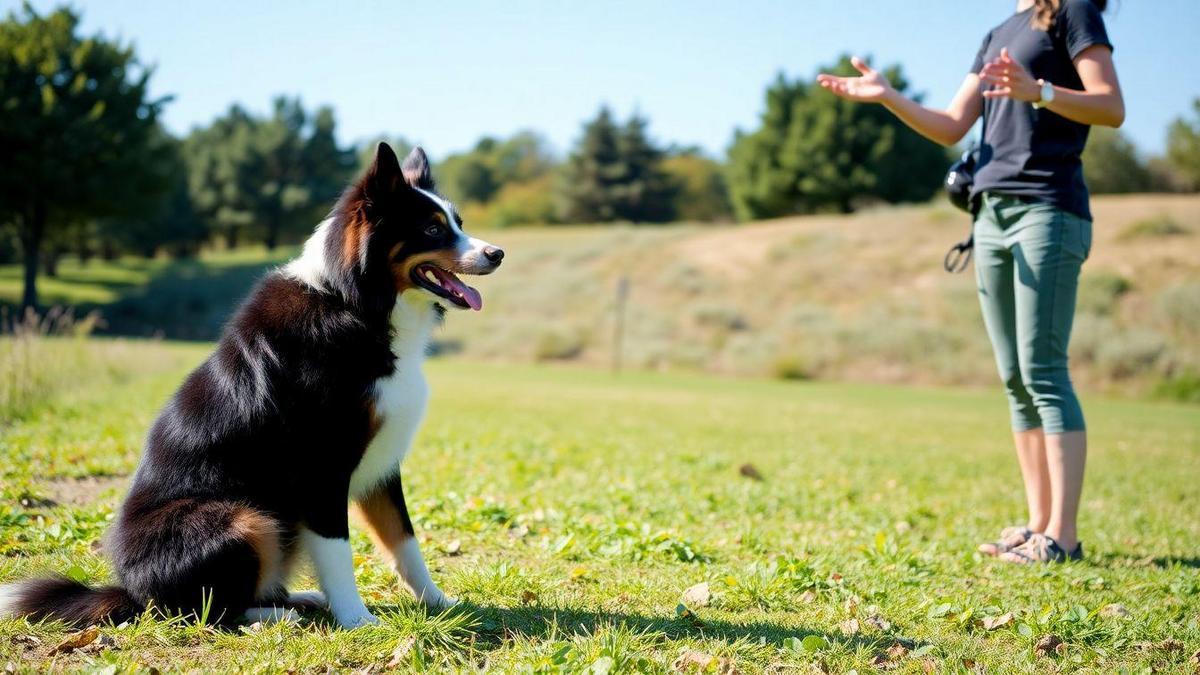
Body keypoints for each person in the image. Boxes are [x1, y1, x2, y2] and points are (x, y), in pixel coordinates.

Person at [816, 0, 1124, 563]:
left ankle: (1064, 536)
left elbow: (1111, 106)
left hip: (1047, 210)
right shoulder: (997, 32)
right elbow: (954, 124)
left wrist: (1042, 93)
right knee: (1013, 377)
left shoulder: (1072, 11)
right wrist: (888, 96)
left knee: (1044, 372)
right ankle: (1036, 526)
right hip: (990, 214)